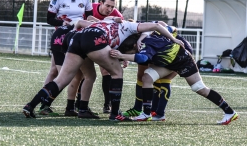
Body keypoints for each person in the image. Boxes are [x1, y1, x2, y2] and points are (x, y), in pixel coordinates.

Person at [22, 18, 184, 121]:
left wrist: (122, 57)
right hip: (94, 38)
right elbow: (157, 25)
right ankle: (114, 113)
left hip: (78, 37)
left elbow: (108, 46)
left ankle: (30, 105)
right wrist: (173, 39)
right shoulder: (130, 26)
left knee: (62, 79)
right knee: (117, 73)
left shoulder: (113, 25)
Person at [110, 32, 239, 125]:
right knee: (147, 78)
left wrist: (122, 56)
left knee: (199, 88)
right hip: (169, 63)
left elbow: (142, 58)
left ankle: (229, 112)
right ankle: (146, 114)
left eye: (130, 53)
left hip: (183, 60)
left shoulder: (145, 43)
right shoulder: (143, 36)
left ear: (133, 46)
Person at [38, 0, 93, 117]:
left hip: (77, 39)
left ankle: (69, 105)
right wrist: (64, 23)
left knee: (62, 72)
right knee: (61, 73)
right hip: (61, 39)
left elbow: (89, 18)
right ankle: (44, 103)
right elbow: (49, 19)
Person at [122, 23, 193, 121]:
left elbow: (169, 27)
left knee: (164, 79)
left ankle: (159, 113)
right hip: (160, 51)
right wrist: (125, 58)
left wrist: (173, 38)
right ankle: (146, 110)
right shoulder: (141, 39)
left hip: (177, 51)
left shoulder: (148, 31)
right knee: (146, 76)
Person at [74, 0, 124, 114]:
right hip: (85, 44)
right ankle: (77, 103)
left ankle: (107, 105)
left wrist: (123, 57)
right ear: (100, 3)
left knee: (107, 71)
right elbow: (79, 23)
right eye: (107, 5)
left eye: (112, 7)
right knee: (82, 75)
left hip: (104, 46)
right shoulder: (90, 8)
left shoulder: (117, 15)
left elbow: (120, 35)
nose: (110, 9)